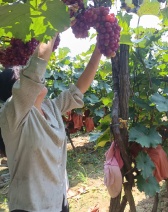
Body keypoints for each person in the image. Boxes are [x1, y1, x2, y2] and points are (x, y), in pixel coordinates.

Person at [0, 33, 102, 212]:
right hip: (30, 208)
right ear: (18, 91)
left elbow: (77, 91)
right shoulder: (12, 116)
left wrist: (100, 49)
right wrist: (53, 24)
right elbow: (34, 71)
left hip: (59, 202)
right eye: (25, 76)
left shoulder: (50, 108)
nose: (40, 78)